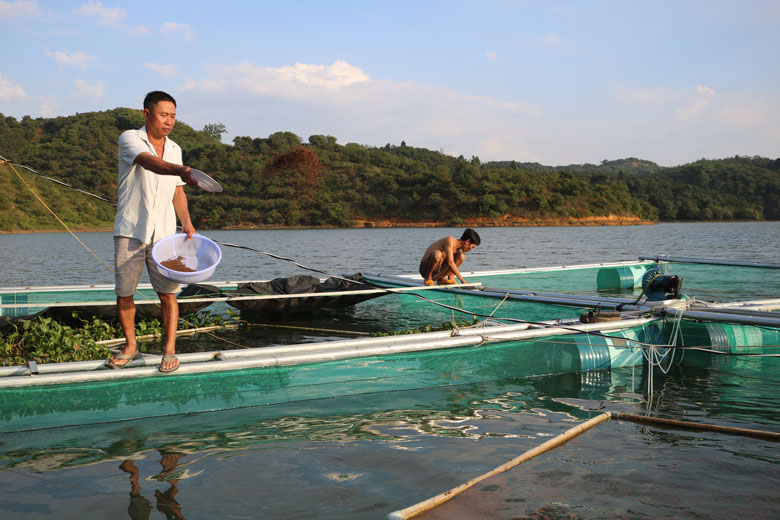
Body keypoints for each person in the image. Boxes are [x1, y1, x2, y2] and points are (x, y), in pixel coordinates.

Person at [107, 90, 197, 373]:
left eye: (173, 116)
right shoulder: (130, 139)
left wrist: (187, 221)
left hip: (165, 235)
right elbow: (149, 163)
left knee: (169, 294)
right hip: (131, 230)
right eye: (163, 115)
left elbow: (177, 191)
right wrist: (180, 169)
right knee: (125, 293)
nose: (169, 121)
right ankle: (131, 346)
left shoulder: (175, 148)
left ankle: (169, 350)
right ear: (147, 114)